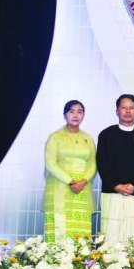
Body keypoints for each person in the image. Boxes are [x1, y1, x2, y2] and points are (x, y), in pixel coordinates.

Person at [96, 94, 134, 244]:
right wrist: (116, 185)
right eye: (124, 108)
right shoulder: (106, 134)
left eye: (131, 108)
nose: (128, 111)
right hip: (111, 192)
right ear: (117, 111)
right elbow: (102, 164)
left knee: (131, 237)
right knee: (109, 237)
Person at [44, 100, 97, 242]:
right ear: (64, 115)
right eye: (71, 111)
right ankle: (57, 256)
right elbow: (50, 164)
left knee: (80, 232)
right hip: (60, 187)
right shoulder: (55, 137)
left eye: (80, 112)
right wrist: (71, 182)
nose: (75, 115)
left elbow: (93, 163)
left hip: (82, 189)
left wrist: (83, 181)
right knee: (59, 227)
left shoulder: (88, 138)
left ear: (83, 115)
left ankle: (79, 256)